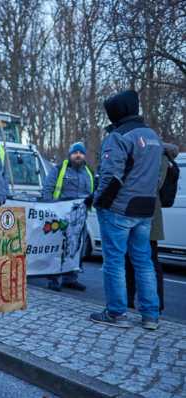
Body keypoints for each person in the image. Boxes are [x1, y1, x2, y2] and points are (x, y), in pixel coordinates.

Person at [89, 90, 162, 330]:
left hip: (119, 209)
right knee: (144, 261)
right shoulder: (153, 136)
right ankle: (150, 315)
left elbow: (111, 177)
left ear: (115, 112)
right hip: (145, 208)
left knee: (114, 262)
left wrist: (98, 201)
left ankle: (116, 313)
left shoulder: (119, 137)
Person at [125, 143, 179, 313]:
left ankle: (141, 302)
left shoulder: (156, 157)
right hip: (152, 213)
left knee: (141, 261)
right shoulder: (163, 158)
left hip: (145, 213)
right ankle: (151, 302)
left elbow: (149, 185)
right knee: (149, 260)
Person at [41, 141, 94, 292]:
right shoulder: (59, 169)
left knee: (76, 247)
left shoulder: (88, 172)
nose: (78, 155)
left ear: (84, 155)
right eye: (75, 152)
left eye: (81, 153)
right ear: (70, 154)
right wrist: (49, 208)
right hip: (61, 216)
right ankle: (53, 278)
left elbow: (93, 192)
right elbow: (48, 188)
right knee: (57, 247)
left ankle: (70, 278)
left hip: (80, 217)